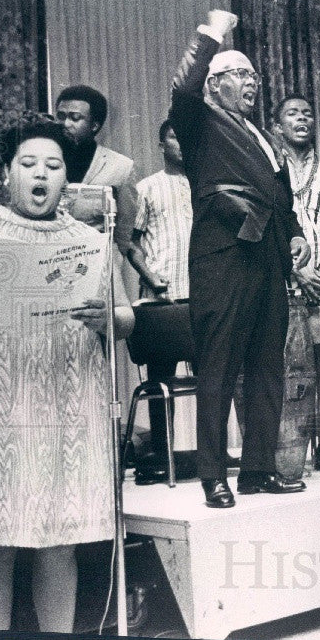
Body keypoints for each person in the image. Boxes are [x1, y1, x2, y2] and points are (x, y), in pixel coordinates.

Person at [0, 114, 134, 632]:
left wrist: (107, 318)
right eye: (28, 163)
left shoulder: (88, 241)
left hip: (67, 405)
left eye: (53, 165)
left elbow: (127, 317)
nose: (41, 174)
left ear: (66, 178)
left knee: (59, 543)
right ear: (6, 173)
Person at [169, 10, 310, 508]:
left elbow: (282, 198)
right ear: (214, 84)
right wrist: (210, 31)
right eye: (239, 74)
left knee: (268, 366)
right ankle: (213, 475)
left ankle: (256, 469)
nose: (251, 82)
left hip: (271, 259)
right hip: (223, 257)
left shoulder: (262, 136)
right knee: (219, 366)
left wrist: (294, 234)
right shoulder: (198, 121)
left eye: (253, 75)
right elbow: (182, 89)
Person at [272, 94, 320, 474]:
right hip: (282, 284)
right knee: (286, 366)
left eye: (307, 113)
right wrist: (295, 272)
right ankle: (287, 448)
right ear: (277, 127)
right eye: (292, 113)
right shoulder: (269, 170)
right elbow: (273, 225)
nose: (301, 118)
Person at [125, 120, 195, 484]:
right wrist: (151, 277)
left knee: (212, 380)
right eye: (173, 136)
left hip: (202, 298)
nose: (181, 143)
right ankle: (162, 455)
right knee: (160, 382)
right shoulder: (147, 188)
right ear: (161, 143)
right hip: (160, 302)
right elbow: (131, 243)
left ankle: (210, 456)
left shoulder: (205, 186)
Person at [54, 85, 138, 254]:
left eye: (75, 118)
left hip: (96, 265)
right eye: (61, 116)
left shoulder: (121, 167)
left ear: (95, 125)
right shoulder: (42, 162)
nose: (65, 124)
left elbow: (124, 237)